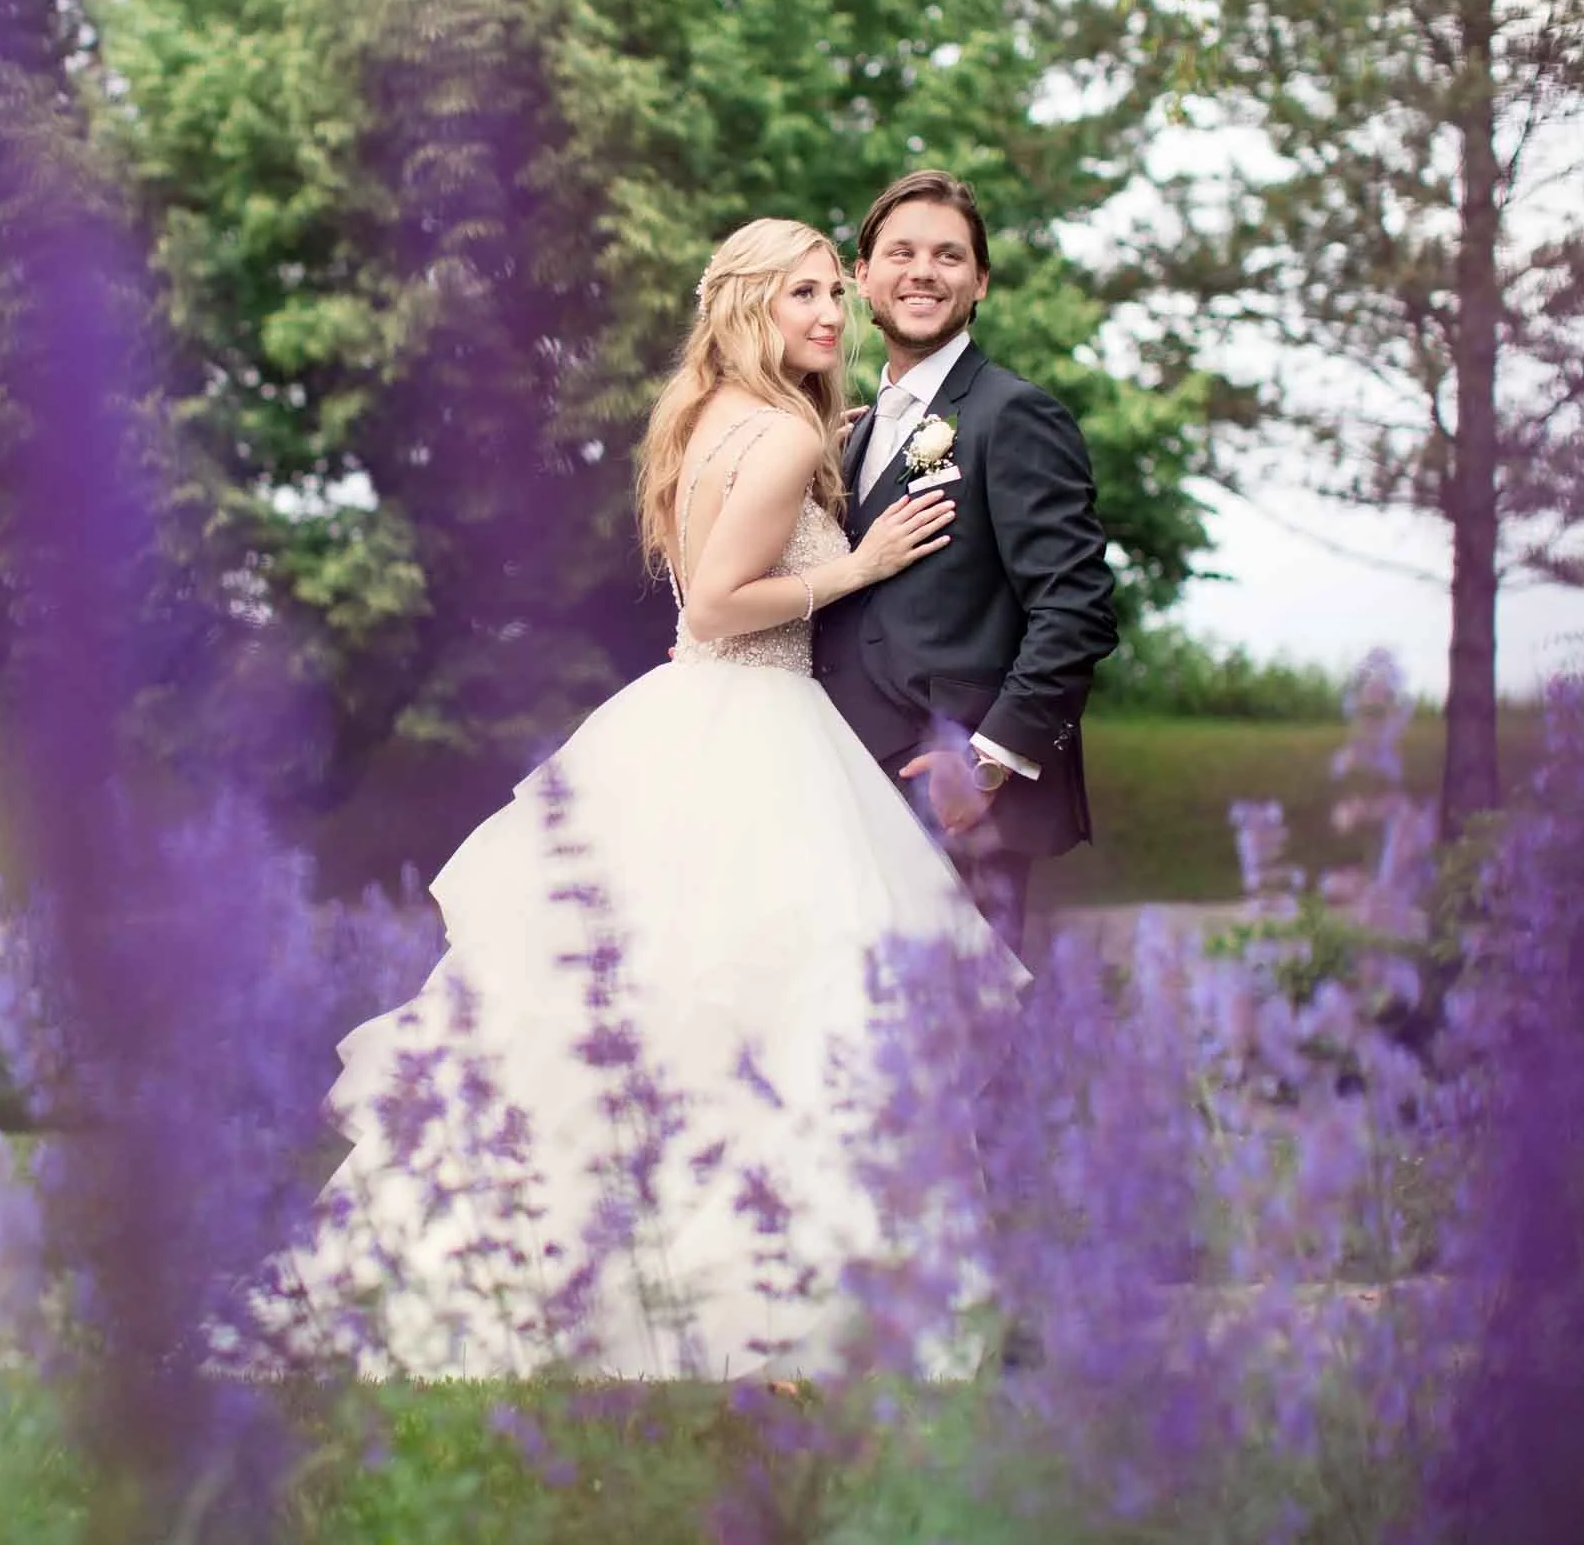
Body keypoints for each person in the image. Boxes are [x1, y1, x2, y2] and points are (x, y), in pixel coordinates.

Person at [237, 219, 1021, 1383]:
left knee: (658, 1000)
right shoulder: (778, 433)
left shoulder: (708, 419)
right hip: (754, 718)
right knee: (776, 997)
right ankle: (770, 1289)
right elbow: (714, 605)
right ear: (746, 304)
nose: (830, 312)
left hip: (681, 720)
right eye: (800, 293)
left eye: (830, 294)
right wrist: (855, 563)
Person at [813, 171, 1120, 955]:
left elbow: (1077, 605)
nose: (923, 271)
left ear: (979, 280)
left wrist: (986, 761)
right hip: (844, 788)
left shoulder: (1013, 414)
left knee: (965, 1056)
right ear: (863, 276)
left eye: (949, 256)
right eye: (901, 252)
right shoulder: (848, 433)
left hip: (952, 797)